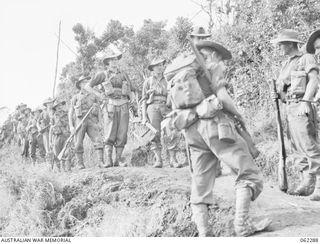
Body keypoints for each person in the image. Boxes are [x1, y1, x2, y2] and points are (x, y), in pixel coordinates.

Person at [164, 40, 270, 236]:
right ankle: (242, 224)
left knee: (201, 180)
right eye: (219, 56)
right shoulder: (213, 68)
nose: (222, 60)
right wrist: (238, 114)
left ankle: (204, 233)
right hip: (214, 125)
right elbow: (222, 97)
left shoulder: (183, 74)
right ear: (212, 55)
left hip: (191, 129)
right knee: (247, 172)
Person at [271, 29, 320, 201]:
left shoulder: (306, 58)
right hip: (289, 108)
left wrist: (306, 101)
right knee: (296, 146)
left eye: (282, 44)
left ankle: (319, 186)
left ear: (291, 43)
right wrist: (278, 95)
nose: (279, 47)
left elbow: (314, 80)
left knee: (308, 145)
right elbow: (285, 88)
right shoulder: (286, 64)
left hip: (301, 107)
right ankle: (306, 184)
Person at [86, 50, 134, 167]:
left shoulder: (123, 74)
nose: (114, 62)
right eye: (112, 60)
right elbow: (88, 86)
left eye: (116, 59)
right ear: (107, 62)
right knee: (109, 132)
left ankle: (118, 159)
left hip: (123, 104)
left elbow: (131, 89)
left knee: (122, 133)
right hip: (109, 105)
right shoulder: (102, 74)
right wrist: (99, 95)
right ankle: (108, 160)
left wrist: (132, 101)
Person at [142, 58, 183, 168]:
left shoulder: (168, 80)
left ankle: (173, 160)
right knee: (155, 133)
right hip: (152, 108)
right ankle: (158, 160)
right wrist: (143, 116)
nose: (160, 67)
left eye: (161, 65)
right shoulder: (148, 81)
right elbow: (143, 100)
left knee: (171, 132)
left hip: (166, 107)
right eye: (157, 65)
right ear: (153, 68)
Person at [69, 75, 106, 170]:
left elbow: (99, 110)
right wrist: (71, 126)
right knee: (78, 143)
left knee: (98, 140)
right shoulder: (75, 97)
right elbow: (71, 112)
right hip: (80, 121)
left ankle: (100, 162)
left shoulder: (94, 95)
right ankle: (80, 163)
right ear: (80, 85)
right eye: (84, 82)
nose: (86, 84)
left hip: (92, 120)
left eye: (87, 82)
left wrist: (100, 122)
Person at [50, 100, 72, 172]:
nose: (59, 107)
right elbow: (51, 128)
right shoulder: (53, 116)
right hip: (57, 136)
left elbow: (71, 123)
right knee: (57, 153)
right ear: (55, 108)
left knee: (67, 152)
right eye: (57, 106)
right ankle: (59, 168)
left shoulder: (67, 114)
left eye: (60, 105)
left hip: (66, 135)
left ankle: (68, 168)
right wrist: (50, 141)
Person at [38, 98, 55, 165]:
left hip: (54, 131)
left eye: (51, 102)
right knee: (47, 148)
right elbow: (38, 122)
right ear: (46, 104)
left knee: (54, 146)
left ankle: (56, 163)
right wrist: (39, 128)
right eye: (49, 103)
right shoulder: (43, 113)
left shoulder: (54, 111)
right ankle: (49, 164)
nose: (51, 104)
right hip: (46, 132)